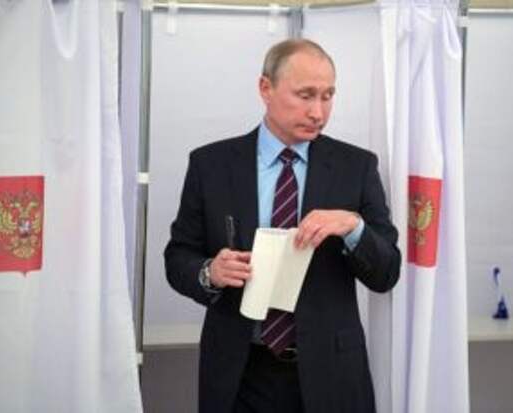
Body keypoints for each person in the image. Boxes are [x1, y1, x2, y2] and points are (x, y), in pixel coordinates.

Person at [164, 39, 401, 413]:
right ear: (265, 88)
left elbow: (387, 272)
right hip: (239, 374)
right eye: (305, 95)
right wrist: (211, 272)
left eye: (327, 96)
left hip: (331, 373)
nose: (317, 112)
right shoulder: (211, 165)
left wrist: (353, 227)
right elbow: (178, 258)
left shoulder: (356, 167)